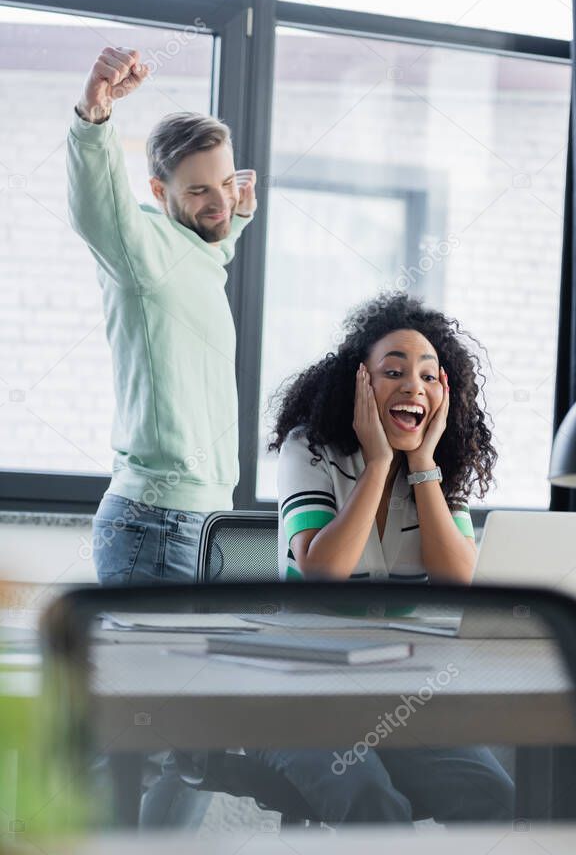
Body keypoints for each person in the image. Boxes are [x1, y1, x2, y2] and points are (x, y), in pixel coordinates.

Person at [66, 45, 257, 828]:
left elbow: (217, 239)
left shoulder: (201, 251)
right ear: (158, 192)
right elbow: (95, 203)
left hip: (208, 526)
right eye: (198, 192)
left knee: (196, 749)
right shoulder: (140, 246)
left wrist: (234, 213)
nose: (217, 203)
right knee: (128, 750)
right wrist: (95, 113)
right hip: (154, 527)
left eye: (226, 184)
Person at [245, 292, 515, 824]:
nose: (413, 384)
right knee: (372, 804)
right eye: (393, 371)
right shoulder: (311, 449)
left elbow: (461, 581)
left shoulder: (438, 472)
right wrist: (376, 464)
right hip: (292, 697)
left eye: (429, 376)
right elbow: (324, 572)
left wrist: (421, 464)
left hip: (392, 700)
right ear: (360, 383)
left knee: (493, 793)